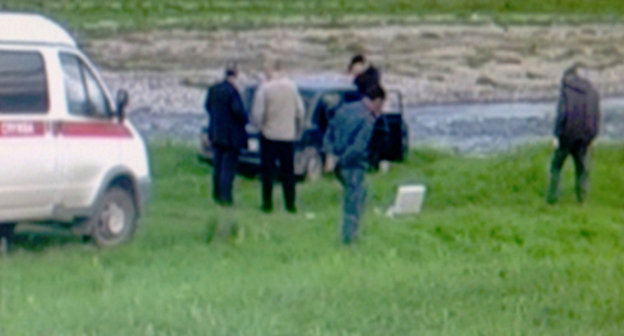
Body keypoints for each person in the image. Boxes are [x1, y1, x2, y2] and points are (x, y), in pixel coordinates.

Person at [322, 86, 386, 244]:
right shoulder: (367, 118)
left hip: (336, 162)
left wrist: (331, 156)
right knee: (355, 202)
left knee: (348, 198)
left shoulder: (343, 109)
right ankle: (349, 240)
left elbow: (329, 132)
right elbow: (358, 146)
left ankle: (348, 236)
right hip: (353, 165)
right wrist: (343, 159)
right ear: (376, 101)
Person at [251, 60, 305, 213]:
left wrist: (259, 127)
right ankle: (290, 204)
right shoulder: (293, 87)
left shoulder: (265, 89)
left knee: (268, 171)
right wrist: (297, 129)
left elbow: (258, 113)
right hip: (288, 135)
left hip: (269, 135)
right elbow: (300, 112)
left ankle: (267, 204)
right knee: (288, 172)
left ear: (272, 71)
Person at [547, 66, 600, 204]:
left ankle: (552, 199)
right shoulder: (592, 91)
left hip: (567, 135)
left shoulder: (566, 91)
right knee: (582, 169)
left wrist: (556, 135)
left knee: (556, 167)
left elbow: (562, 114)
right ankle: (581, 200)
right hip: (585, 136)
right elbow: (596, 115)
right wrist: (593, 135)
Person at [204, 64, 247, 206]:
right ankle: (226, 197)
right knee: (228, 168)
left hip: (216, 133)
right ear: (235, 76)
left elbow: (208, 107)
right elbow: (238, 111)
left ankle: (216, 194)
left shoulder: (214, 89)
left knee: (217, 165)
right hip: (231, 135)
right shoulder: (233, 92)